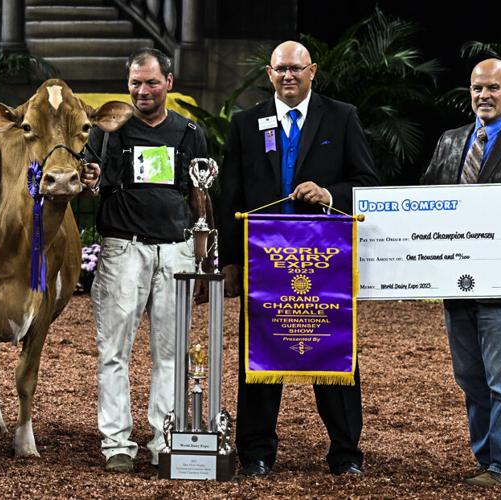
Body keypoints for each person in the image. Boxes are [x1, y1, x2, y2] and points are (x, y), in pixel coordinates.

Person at [215, 41, 379, 477]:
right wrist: (230, 259)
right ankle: (256, 453)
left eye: (296, 69)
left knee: (335, 357)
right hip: (263, 262)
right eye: (281, 70)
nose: (289, 76)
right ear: (269, 74)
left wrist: (329, 195)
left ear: (313, 72)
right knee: (258, 360)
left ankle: (346, 455)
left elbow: (366, 182)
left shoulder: (341, 116)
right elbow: (230, 191)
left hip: (325, 261)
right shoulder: (246, 123)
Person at [419, 58, 501, 487]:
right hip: (455, 282)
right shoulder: (450, 141)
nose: (484, 96)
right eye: (477, 88)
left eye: (493, 88)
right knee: (470, 378)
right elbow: (422, 202)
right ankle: (488, 459)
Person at [81, 48, 207, 473]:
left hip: (175, 248)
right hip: (123, 249)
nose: (143, 90)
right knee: (114, 350)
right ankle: (116, 442)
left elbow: (199, 195)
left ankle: (165, 438)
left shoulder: (189, 132)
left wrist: (205, 252)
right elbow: (89, 180)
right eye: (135, 82)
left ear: (169, 82)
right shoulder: (108, 128)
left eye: (151, 82)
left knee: (170, 352)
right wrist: (90, 178)